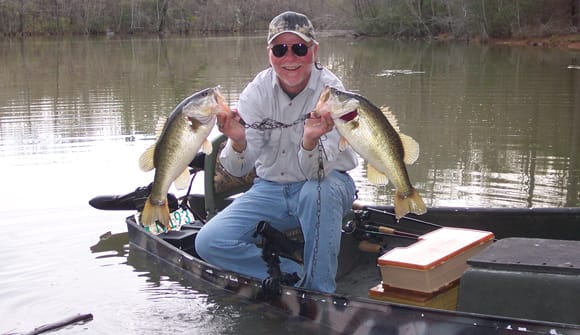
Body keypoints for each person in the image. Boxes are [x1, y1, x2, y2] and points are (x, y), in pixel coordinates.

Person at [194, 11, 358, 293]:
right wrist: (238, 141)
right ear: (270, 54)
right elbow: (237, 169)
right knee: (208, 242)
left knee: (316, 192)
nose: (290, 58)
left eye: (299, 48)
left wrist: (308, 143)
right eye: (280, 49)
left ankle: (319, 293)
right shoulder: (256, 92)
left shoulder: (333, 94)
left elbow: (316, 173)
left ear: (314, 51)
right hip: (269, 190)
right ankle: (294, 275)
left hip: (326, 186)